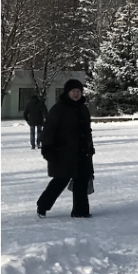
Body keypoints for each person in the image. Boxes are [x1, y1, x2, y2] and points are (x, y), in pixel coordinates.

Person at [38, 78, 95, 218]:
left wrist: (90, 148)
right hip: (63, 152)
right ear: (67, 92)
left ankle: (80, 211)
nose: (76, 94)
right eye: (73, 91)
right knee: (60, 180)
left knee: (82, 181)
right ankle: (43, 206)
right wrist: (48, 149)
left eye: (78, 91)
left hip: (82, 152)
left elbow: (87, 131)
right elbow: (49, 131)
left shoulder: (83, 108)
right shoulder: (59, 109)